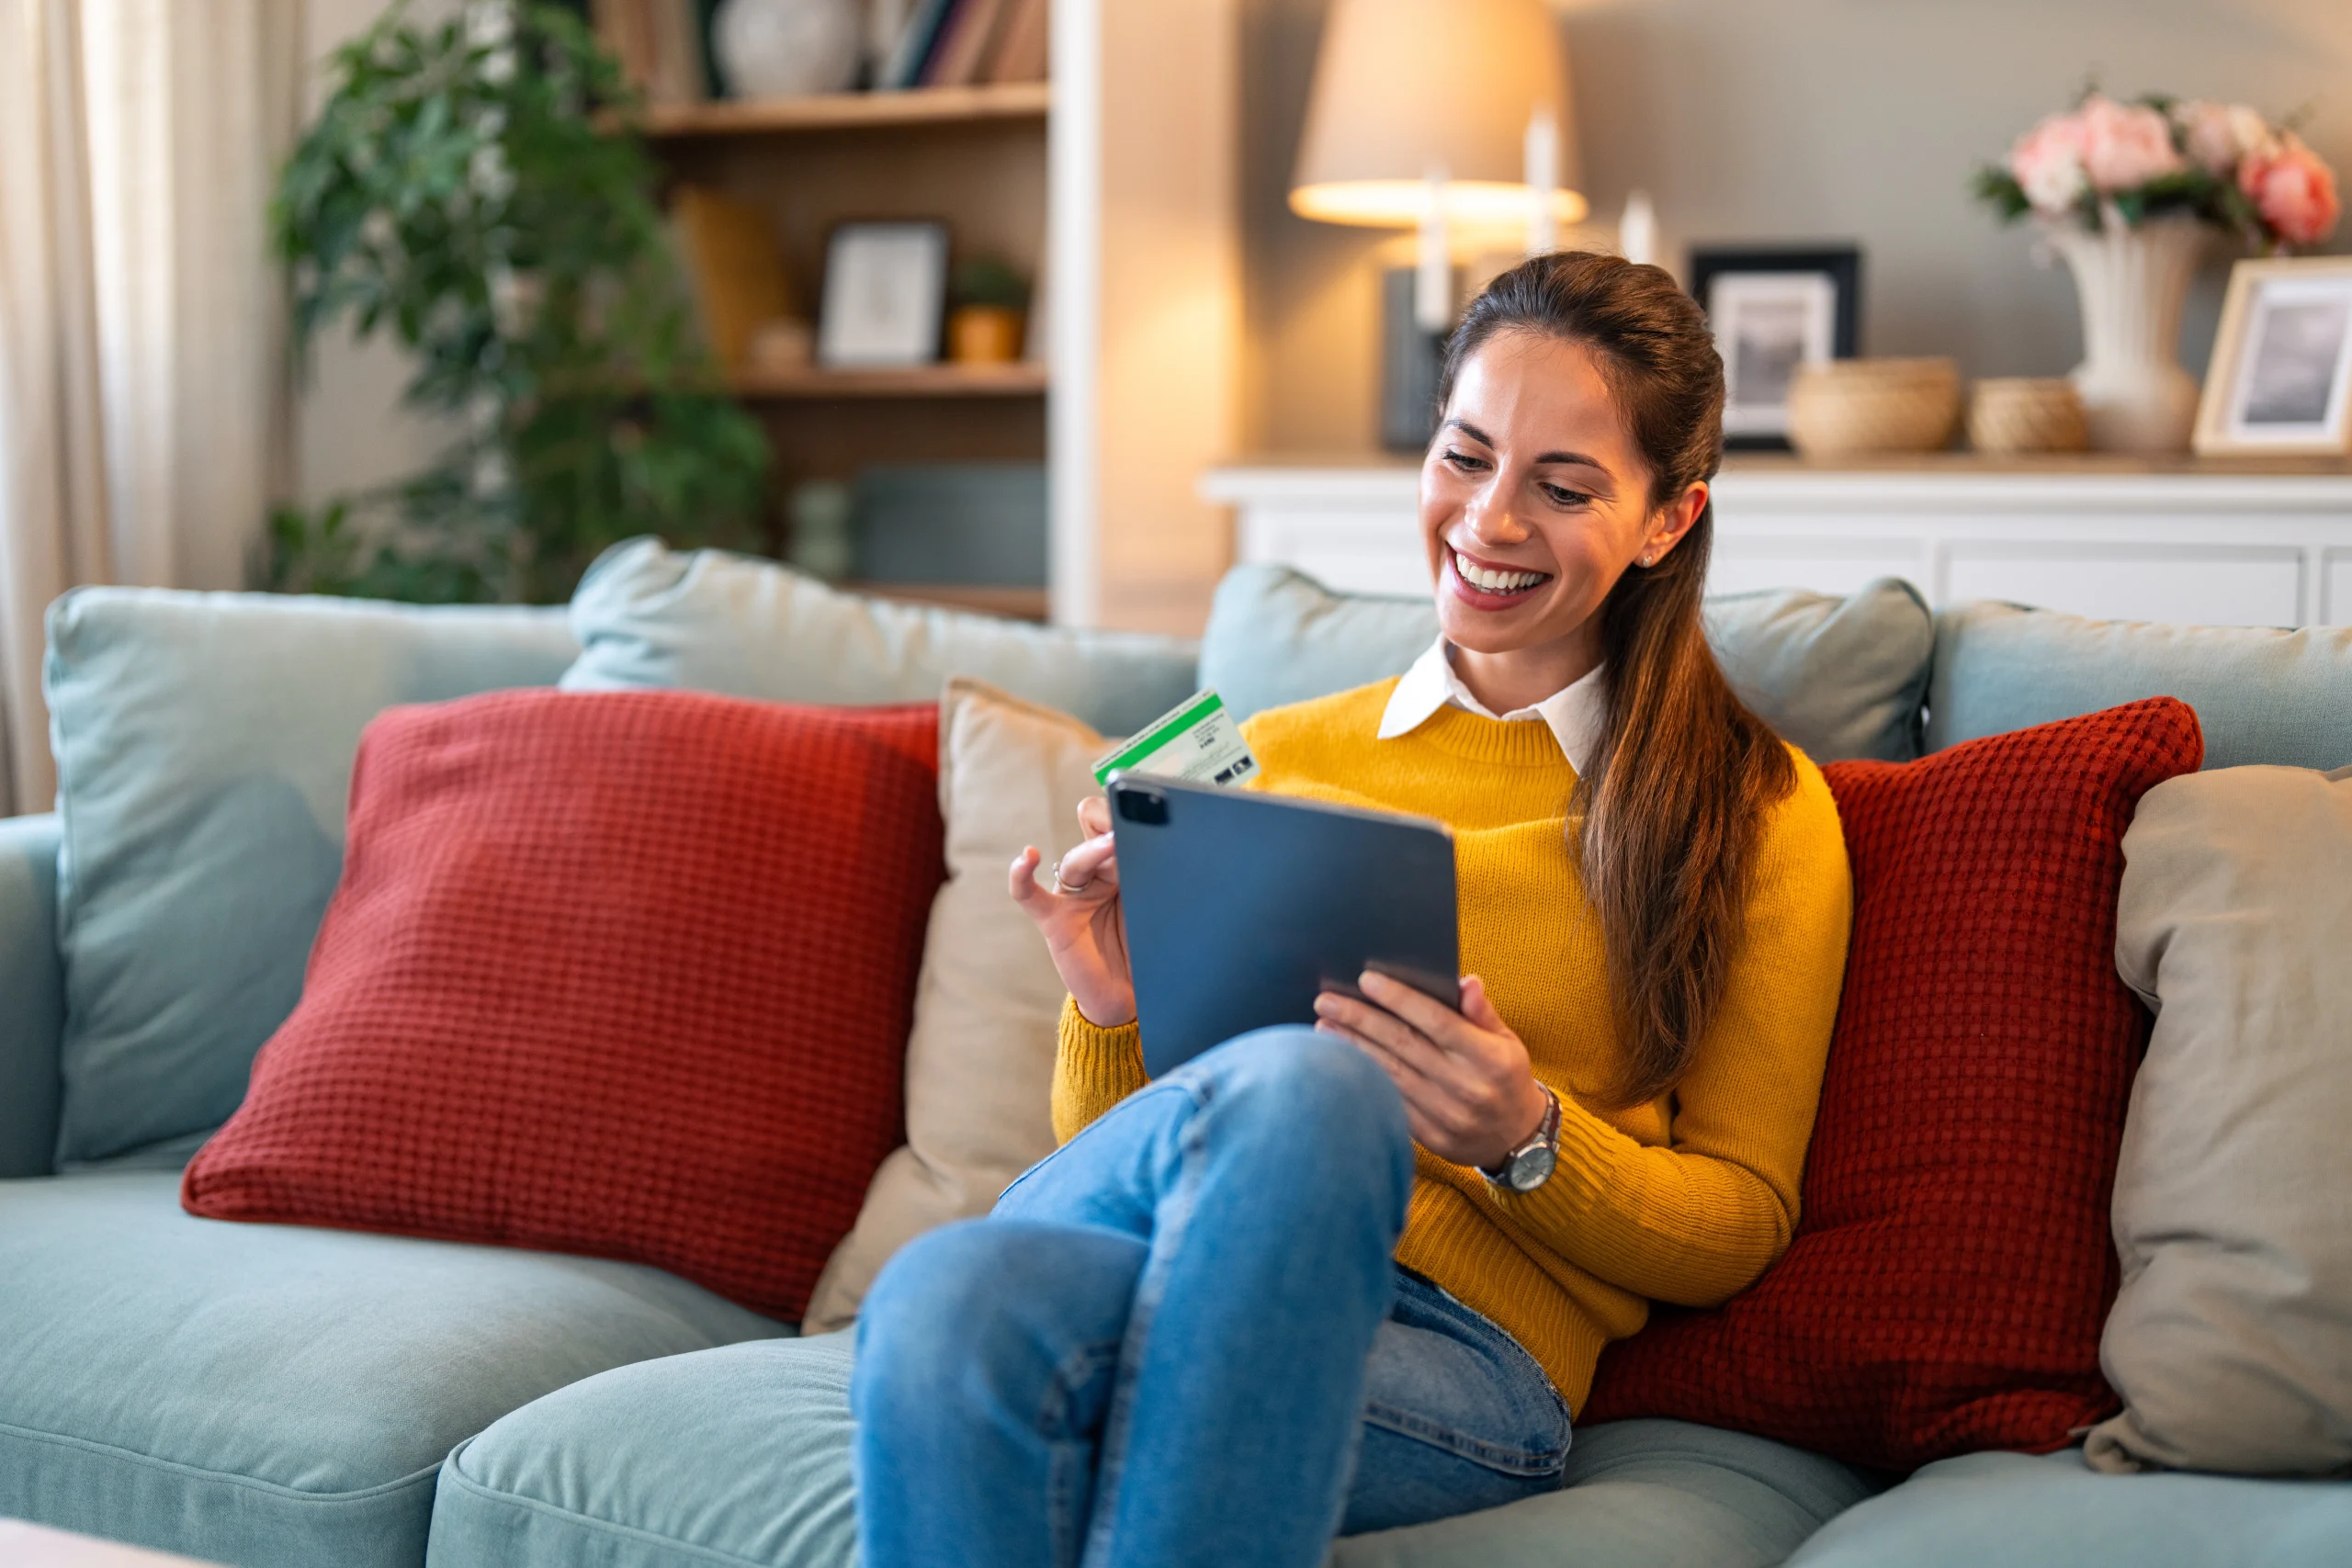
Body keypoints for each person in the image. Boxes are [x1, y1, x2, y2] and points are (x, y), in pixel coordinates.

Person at [850, 252, 1854, 1568]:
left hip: (1457, 1353)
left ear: (1669, 519)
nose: (1490, 522)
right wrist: (1113, 1009)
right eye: (1465, 456)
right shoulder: (1266, 753)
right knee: (950, 1282)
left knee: (1000, 1276)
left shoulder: (1753, 807)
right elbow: (1115, 1151)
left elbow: (1741, 1218)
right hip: (1157, 1239)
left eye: (1562, 487)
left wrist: (1526, 1137)